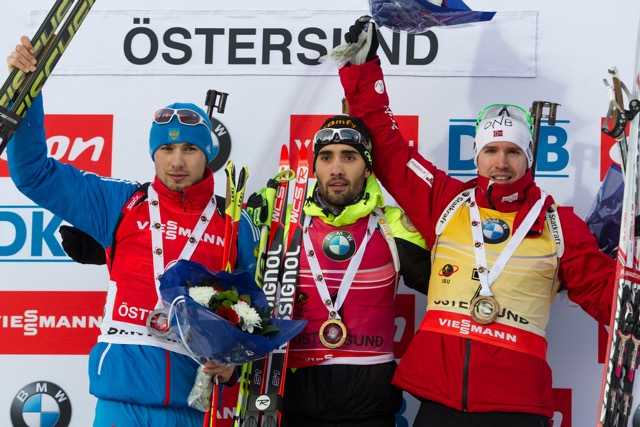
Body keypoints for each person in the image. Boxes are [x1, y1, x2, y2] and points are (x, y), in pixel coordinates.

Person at [331, 17, 617, 427]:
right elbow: (388, 148)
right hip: (438, 402)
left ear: (529, 158)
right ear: (477, 155)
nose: (501, 163)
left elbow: (605, 292)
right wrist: (362, 72)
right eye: (492, 151)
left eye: (513, 152)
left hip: (515, 407)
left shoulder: (559, 224)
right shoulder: (445, 201)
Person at [6, 37, 259, 427]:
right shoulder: (121, 203)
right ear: (153, 153)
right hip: (120, 404)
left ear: (208, 153)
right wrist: (28, 91)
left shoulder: (235, 224)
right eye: (166, 150)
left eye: (190, 149)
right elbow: (34, 174)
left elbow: (252, 314)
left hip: (192, 406)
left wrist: (233, 368)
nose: (176, 161)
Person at [275, 115, 430, 426]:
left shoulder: (395, 225)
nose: (336, 169)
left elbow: (449, 291)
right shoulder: (282, 221)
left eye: (349, 157)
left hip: (371, 408)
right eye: (326, 157)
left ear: (368, 167)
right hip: (296, 405)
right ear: (314, 167)